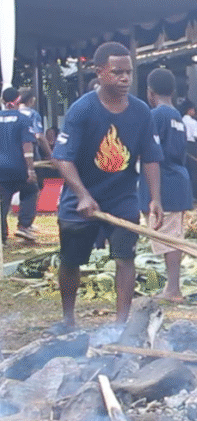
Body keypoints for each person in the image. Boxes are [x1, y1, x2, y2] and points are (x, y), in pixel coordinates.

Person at [51, 41, 163, 331]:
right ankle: (67, 318)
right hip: (81, 197)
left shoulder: (141, 112)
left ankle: (121, 324)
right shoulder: (82, 110)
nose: (125, 78)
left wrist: (154, 199)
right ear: (100, 72)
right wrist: (83, 195)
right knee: (71, 259)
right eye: (117, 72)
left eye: (129, 72)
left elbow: (151, 158)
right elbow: (62, 157)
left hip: (122, 197)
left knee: (125, 257)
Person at [138, 68, 193, 303]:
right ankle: (171, 286)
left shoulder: (155, 116)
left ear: (150, 93)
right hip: (177, 178)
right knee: (171, 235)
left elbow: (152, 154)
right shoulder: (177, 116)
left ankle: (173, 289)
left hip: (164, 182)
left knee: (169, 237)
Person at [16, 87, 55, 241]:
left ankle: (8, 229)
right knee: (34, 188)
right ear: (31, 100)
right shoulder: (33, 114)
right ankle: (24, 224)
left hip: (12, 155)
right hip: (31, 153)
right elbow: (39, 136)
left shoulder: (11, 114)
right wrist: (50, 154)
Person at [0, 88, 37, 246]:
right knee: (31, 190)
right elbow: (27, 146)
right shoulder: (23, 119)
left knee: (3, 201)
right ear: (18, 99)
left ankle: (2, 236)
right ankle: (24, 224)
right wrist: (31, 169)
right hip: (18, 167)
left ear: (3, 101)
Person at [181, 100, 197, 200]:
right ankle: (194, 195)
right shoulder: (194, 122)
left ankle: (184, 194)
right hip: (191, 145)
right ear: (189, 110)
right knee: (194, 171)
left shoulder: (180, 120)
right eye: (193, 110)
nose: (194, 112)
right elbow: (195, 135)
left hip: (182, 145)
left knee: (184, 169)